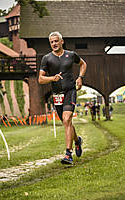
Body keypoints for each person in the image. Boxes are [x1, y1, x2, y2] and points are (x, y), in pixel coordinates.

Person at [38, 31, 87, 164]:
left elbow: (83, 64)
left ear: (61, 41)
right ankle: (77, 141)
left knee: (67, 119)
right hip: (57, 94)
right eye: (52, 42)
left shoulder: (71, 55)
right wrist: (51, 78)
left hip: (70, 91)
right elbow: (40, 79)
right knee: (67, 123)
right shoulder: (47, 59)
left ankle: (68, 154)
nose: (54, 43)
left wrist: (80, 77)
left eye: (56, 41)